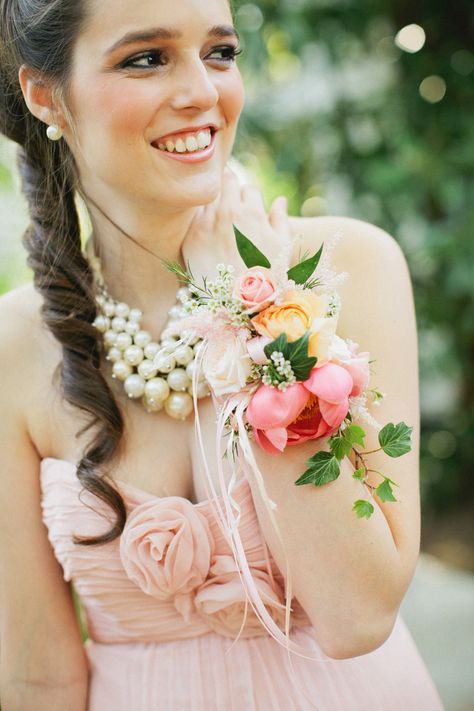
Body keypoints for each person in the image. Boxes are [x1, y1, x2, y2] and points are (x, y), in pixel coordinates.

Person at [0, 0, 445, 709]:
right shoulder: (16, 344)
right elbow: (38, 674)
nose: (203, 93)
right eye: (146, 58)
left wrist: (251, 311)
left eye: (220, 52)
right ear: (45, 95)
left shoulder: (352, 264)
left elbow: (358, 615)